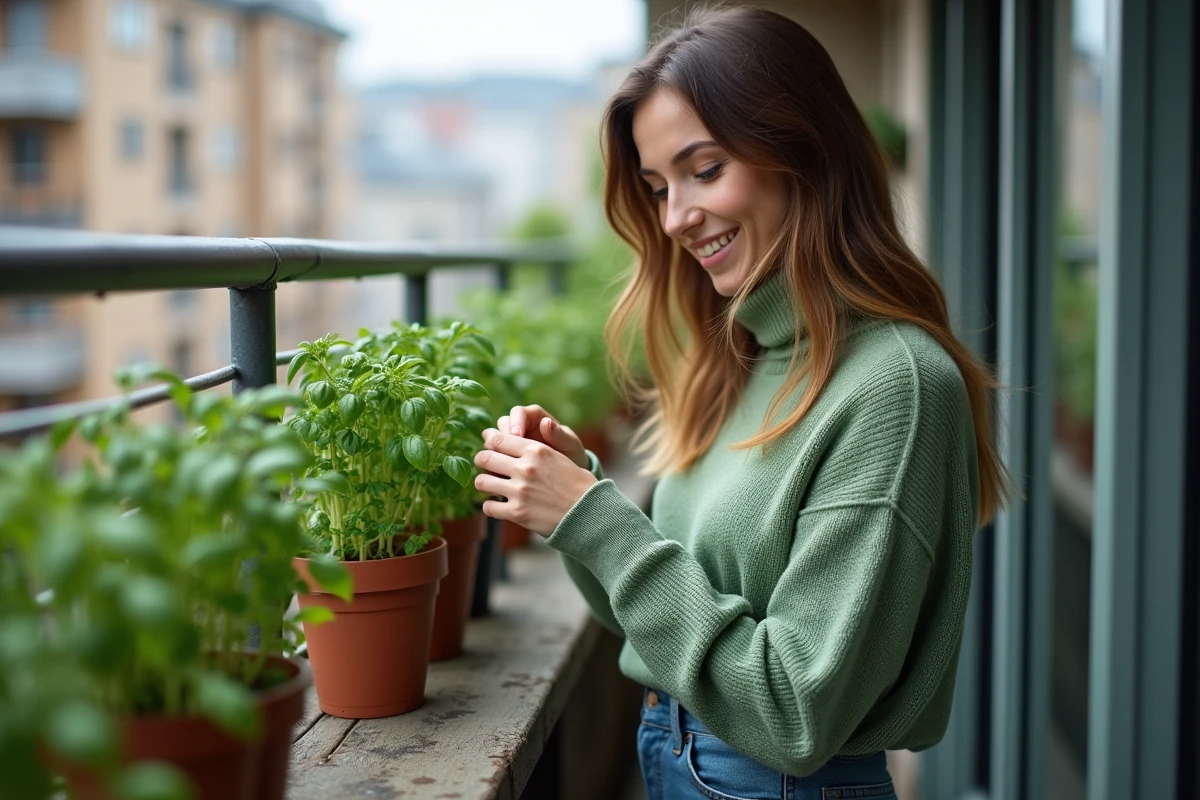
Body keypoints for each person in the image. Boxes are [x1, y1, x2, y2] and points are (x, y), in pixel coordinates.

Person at [473, 5, 1010, 799]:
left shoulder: (895, 387)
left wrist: (597, 519)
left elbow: (794, 711)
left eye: (706, 168)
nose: (676, 217)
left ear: (803, 150)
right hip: (682, 755)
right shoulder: (745, 359)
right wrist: (574, 498)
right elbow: (665, 622)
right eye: (658, 187)